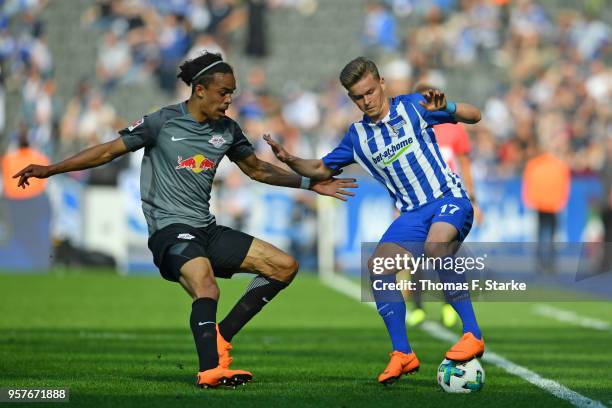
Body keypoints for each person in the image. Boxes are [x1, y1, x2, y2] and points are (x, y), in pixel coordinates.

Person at [13, 52, 357, 389]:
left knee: (284, 266)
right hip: (169, 230)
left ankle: (221, 334)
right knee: (206, 285)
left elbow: (257, 170)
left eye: (232, 93)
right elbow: (105, 151)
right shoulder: (162, 122)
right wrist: (51, 169)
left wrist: (311, 183)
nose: (228, 100)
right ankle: (210, 370)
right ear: (200, 89)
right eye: (224, 92)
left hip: (205, 228)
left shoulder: (227, 130)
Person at [265, 57, 484, 385]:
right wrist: (291, 160)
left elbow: (474, 115)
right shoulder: (357, 137)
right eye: (357, 97)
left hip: (448, 200)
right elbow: (322, 169)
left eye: (370, 91)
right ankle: (402, 353)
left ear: (382, 83)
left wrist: (448, 106)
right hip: (412, 215)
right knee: (379, 266)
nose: (366, 100)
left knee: (437, 246)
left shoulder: (413, 106)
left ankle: (472, 334)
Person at [405, 83, 484, 328]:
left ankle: (450, 305)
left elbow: (464, 163)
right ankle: (417, 307)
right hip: (420, 199)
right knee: (416, 254)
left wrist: (473, 198)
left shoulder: (453, 127)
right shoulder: (410, 127)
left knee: (447, 253)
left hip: (450, 197)